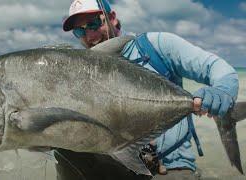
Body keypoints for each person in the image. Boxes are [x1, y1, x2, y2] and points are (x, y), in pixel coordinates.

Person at [56, 0, 239, 180]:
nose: (89, 36)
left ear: (112, 18)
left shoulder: (155, 46)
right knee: (63, 151)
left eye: (94, 23)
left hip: (169, 166)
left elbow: (216, 67)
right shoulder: (80, 69)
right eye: (79, 30)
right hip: (117, 163)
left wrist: (223, 90)